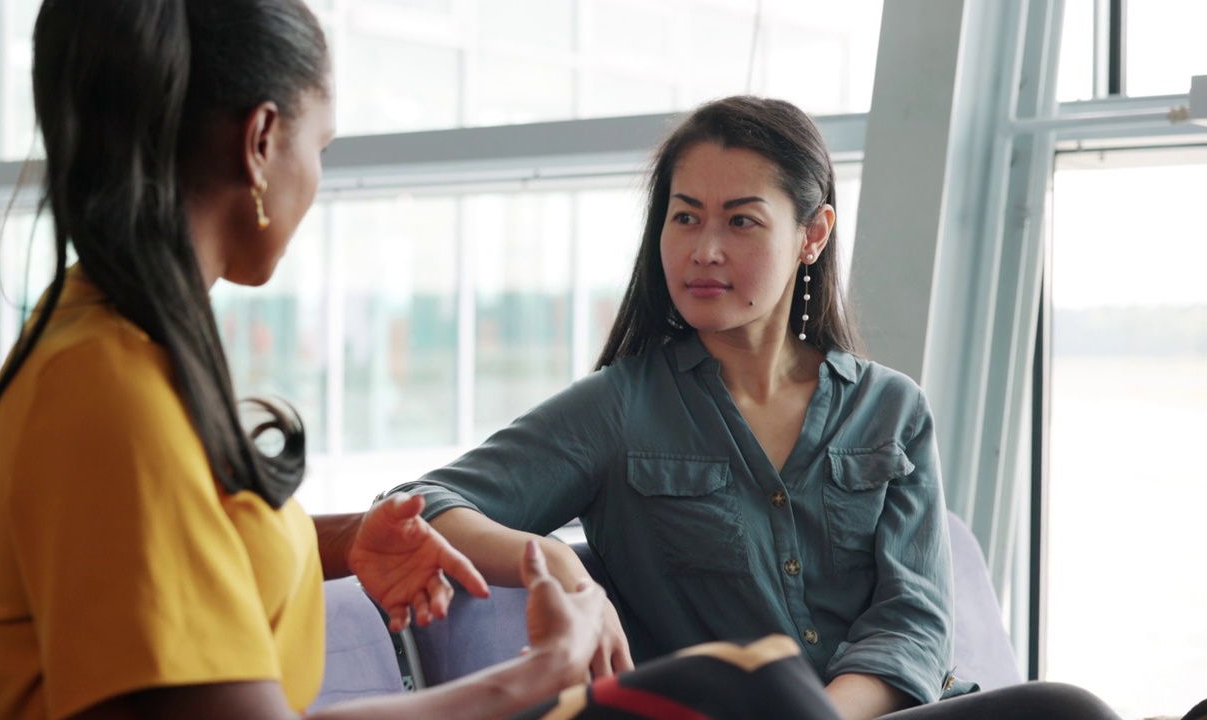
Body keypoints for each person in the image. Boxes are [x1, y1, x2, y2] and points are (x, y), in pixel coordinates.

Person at [0, 1, 613, 718]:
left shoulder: (115, 344)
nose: (318, 176)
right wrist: (538, 671)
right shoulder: (108, 390)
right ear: (262, 141)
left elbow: (176, 542)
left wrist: (344, 542)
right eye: (322, 147)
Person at [388, 96, 1123, 720]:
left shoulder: (891, 409)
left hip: (882, 714)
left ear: (813, 235)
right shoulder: (618, 408)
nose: (704, 249)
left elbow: (914, 619)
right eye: (685, 218)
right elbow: (418, 504)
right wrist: (550, 556)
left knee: (1068, 709)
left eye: (740, 221)